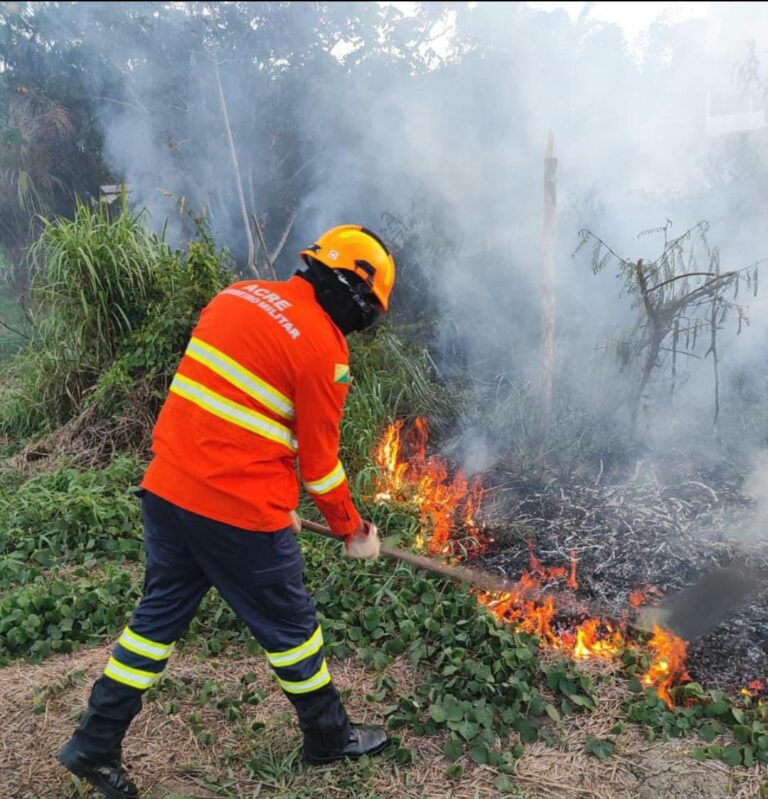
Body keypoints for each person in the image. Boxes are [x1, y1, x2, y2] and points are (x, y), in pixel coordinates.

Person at [56, 225, 397, 799]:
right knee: (293, 631)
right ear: (352, 295)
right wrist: (353, 530)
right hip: (236, 511)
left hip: (168, 489)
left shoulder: (235, 295)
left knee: (154, 622)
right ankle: (328, 738)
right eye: (364, 315)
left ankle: (94, 742)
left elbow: (231, 411)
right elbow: (320, 466)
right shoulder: (323, 350)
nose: (356, 330)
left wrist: (274, 497)